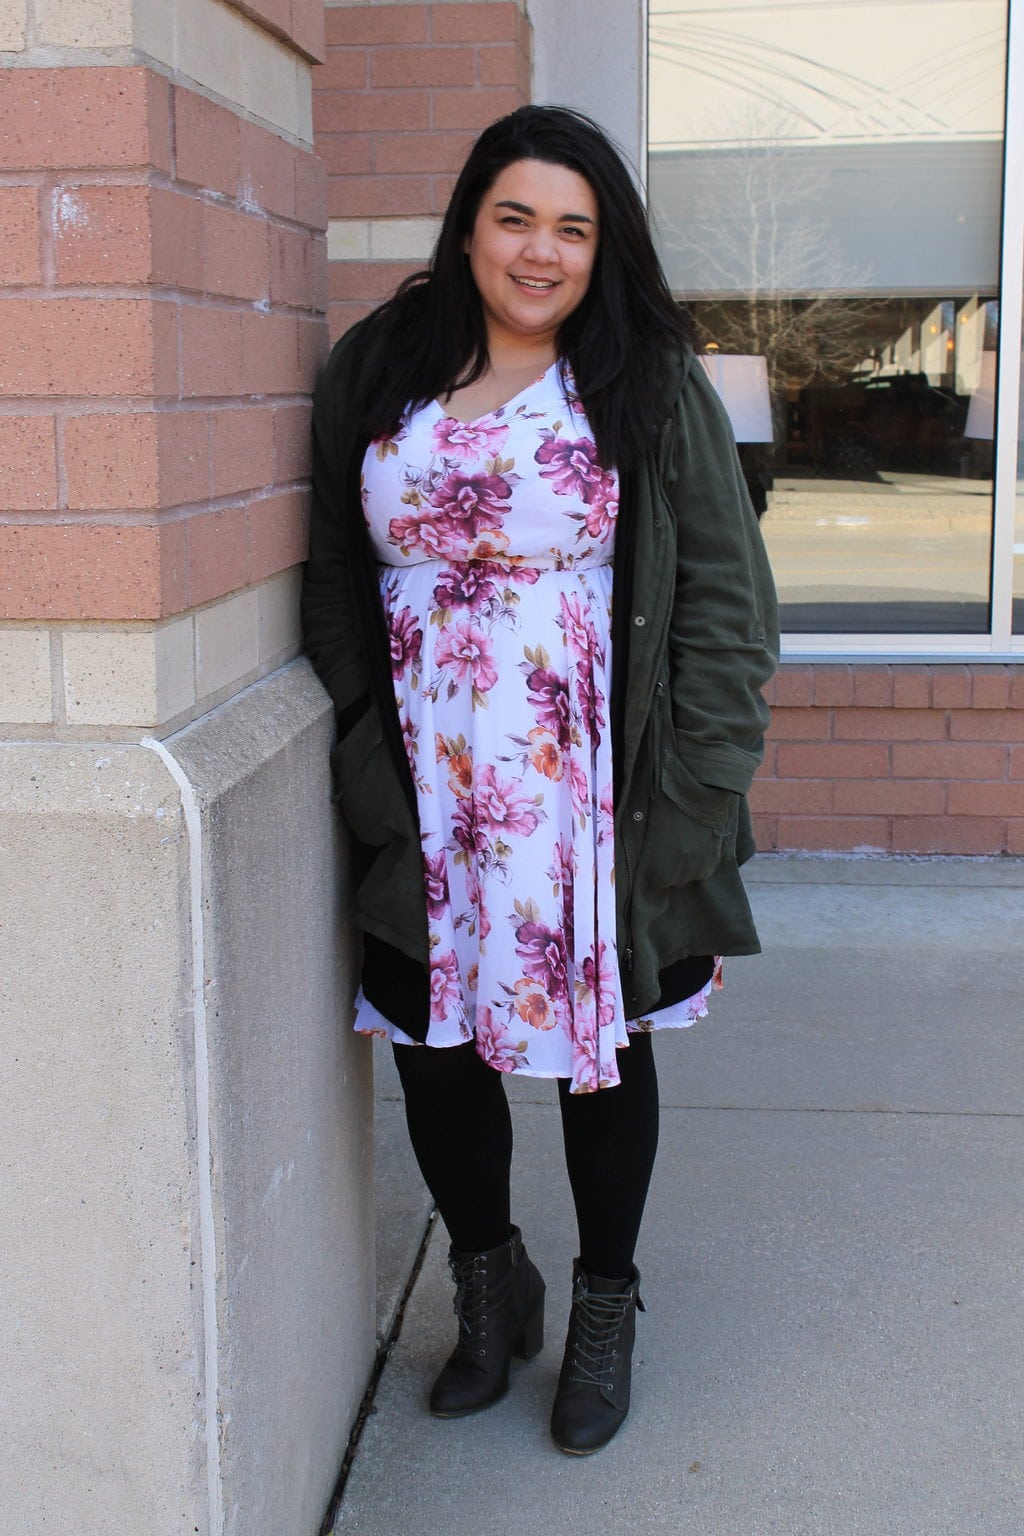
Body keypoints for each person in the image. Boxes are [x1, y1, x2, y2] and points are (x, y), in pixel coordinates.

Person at [302, 105, 778, 1456]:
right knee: (434, 1046)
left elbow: (730, 617)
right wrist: (362, 761)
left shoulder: (647, 380)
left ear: (601, 247)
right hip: (425, 790)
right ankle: (490, 1280)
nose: (541, 250)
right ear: (468, 224)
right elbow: (335, 582)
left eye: (572, 227)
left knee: (602, 1059)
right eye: (516, 216)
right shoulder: (382, 366)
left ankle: (606, 1306)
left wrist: (684, 810)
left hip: (591, 802)